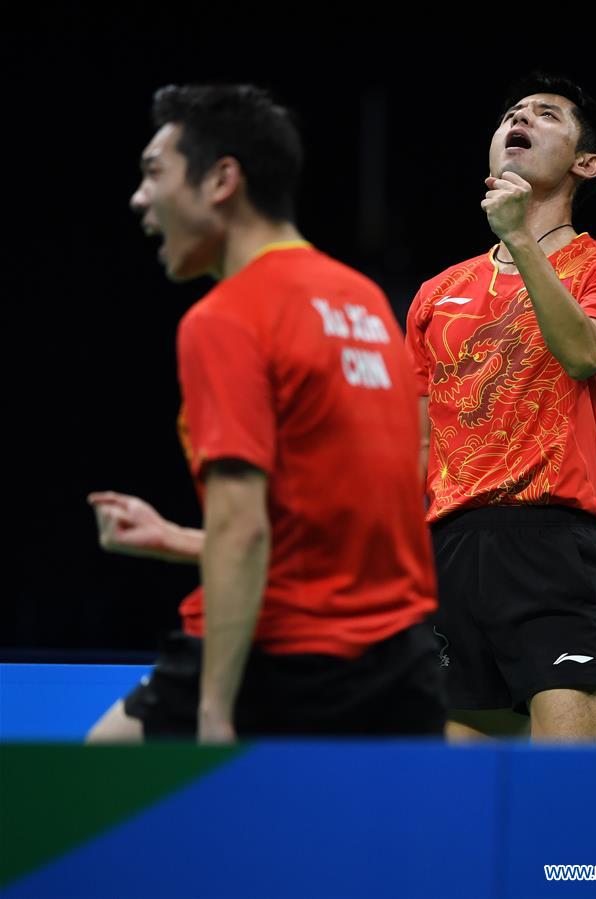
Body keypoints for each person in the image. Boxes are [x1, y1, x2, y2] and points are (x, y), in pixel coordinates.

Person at [87, 83, 443, 744]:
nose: (140, 198)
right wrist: (174, 538)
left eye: (153, 172)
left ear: (222, 179)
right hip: (397, 665)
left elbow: (242, 525)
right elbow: (343, 525)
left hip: (277, 653)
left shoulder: (225, 317)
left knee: (83, 791)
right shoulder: (364, 302)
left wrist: (215, 711)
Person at [404, 72, 596, 743]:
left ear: (585, 163)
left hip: (550, 544)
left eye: (546, 115)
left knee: (571, 795)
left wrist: (518, 240)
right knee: (458, 804)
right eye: (512, 111)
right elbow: (420, 441)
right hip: (448, 552)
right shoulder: (437, 291)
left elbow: (581, 354)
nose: (521, 117)